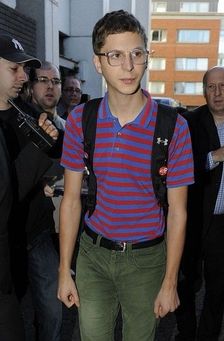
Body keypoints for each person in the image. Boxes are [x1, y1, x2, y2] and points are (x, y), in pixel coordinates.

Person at [57, 10, 194, 341]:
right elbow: (72, 200)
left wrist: (170, 281)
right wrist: (64, 270)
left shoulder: (173, 127)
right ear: (98, 62)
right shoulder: (80, 120)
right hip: (93, 254)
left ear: (147, 57)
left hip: (146, 260)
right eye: (115, 55)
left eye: (136, 54)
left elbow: (178, 212)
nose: (129, 66)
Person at [0, 33, 58, 341]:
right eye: (14, 69)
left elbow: (53, 166)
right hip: (7, 243)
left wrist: (50, 179)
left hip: (35, 233)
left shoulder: (31, 117)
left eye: (25, 69)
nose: (23, 77)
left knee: (50, 312)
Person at [175, 66, 224, 341]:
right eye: (211, 87)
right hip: (194, 220)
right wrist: (215, 156)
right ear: (204, 91)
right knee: (185, 285)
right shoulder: (189, 122)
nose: (217, 92)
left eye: (223, 86)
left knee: (217, 289)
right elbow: (178, 168)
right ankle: (186, 334)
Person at [17, 61, 65, 341]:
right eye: (43, 80)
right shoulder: (17, 120)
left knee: (51, 309)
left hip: (40, 230)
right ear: (30, 87)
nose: (50, 86)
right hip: (13, 230)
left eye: (55, 81)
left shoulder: (66, 129)